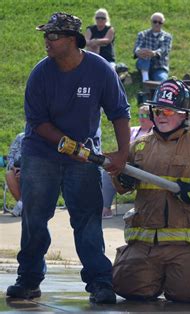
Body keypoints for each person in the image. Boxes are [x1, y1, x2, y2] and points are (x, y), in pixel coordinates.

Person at [6, 12, 131, 304]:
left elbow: (119, 112)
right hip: (41, 154)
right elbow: (36, 121)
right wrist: (65, 143)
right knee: (35, 217)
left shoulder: (100, 70)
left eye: (53, 36)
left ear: (73, 40)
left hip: (84, 158)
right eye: (45, 35)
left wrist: (123, 154)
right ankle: (29, 279)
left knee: (87, 219)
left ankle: (100, 282)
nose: (46, 41)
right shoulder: (41, 73)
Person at [112, 79, 190, 302]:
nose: (162, 115)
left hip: (187, 244)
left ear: (184, 115)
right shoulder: (141, 146)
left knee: (188, 295)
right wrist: (121, 178)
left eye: (169, 111)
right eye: (158, 110)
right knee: (127, 287)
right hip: (146, 243)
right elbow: (123, 186)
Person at [101, 105, 153, 218]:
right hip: (128, 163)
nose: (142, 118)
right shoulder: (132, 130)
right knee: (107, 171)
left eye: (145, 116)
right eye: (140, 115)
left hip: (145, 166)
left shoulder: (154, 133)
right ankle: (106, 207)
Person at [134, 12, 172, 82]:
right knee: (145, 54)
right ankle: (145, 81)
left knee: (162, 81)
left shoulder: (167, 36)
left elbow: (165, 49)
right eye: (155, 21)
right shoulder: (142, 34)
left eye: (159, 22)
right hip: (143, 63)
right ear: (151, 22)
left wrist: (154, 53)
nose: (157, 24)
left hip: (160, 66)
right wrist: (139, 52)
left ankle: (153, 85)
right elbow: (137, 47)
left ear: (162, 23)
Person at [5, 132, 25, 217]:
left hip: (34, 170)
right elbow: (10, 156)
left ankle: (22, 204)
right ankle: (24, 206)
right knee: (9, 174)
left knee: (28, 175)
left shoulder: (41, 137)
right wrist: (14, 168)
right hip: (16, 168)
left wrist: (25, 170)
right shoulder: (20, 137)